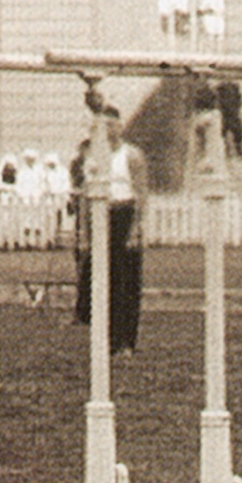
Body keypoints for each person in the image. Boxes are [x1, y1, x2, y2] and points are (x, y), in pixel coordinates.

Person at [74, 105, 148, 354]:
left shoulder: (131, 155)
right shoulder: (93, 157)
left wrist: (136, 228)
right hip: (101, 215)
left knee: (126, 281)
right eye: (104, 125)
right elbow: (85, 196)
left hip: (124, 214)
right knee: (100, 280)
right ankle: (104, 337)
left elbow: (141, 194)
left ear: (119, 126)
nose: (109, 130)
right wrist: (84, 233)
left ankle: (126, 340)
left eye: (112, 124)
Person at [215, 77, 242, 158]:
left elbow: (239, 100)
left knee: (237, 132)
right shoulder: (221, 89)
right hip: (228, 114)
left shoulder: (232, 88)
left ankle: (236, 150)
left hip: (230, 114)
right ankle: (232, 150)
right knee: (231, 132)